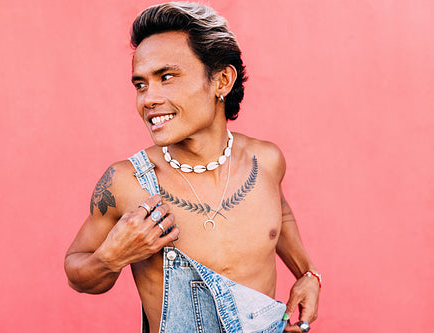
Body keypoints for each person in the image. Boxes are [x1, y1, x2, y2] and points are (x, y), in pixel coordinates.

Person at [64, 3, 320, 332]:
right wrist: (112, 257)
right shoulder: (126, 182)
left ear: (222, 81)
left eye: (166, 77)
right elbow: (76, 270)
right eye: (140, 85)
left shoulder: (266, 161)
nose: (147, 99)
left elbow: (278, 214)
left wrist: (307, 274)